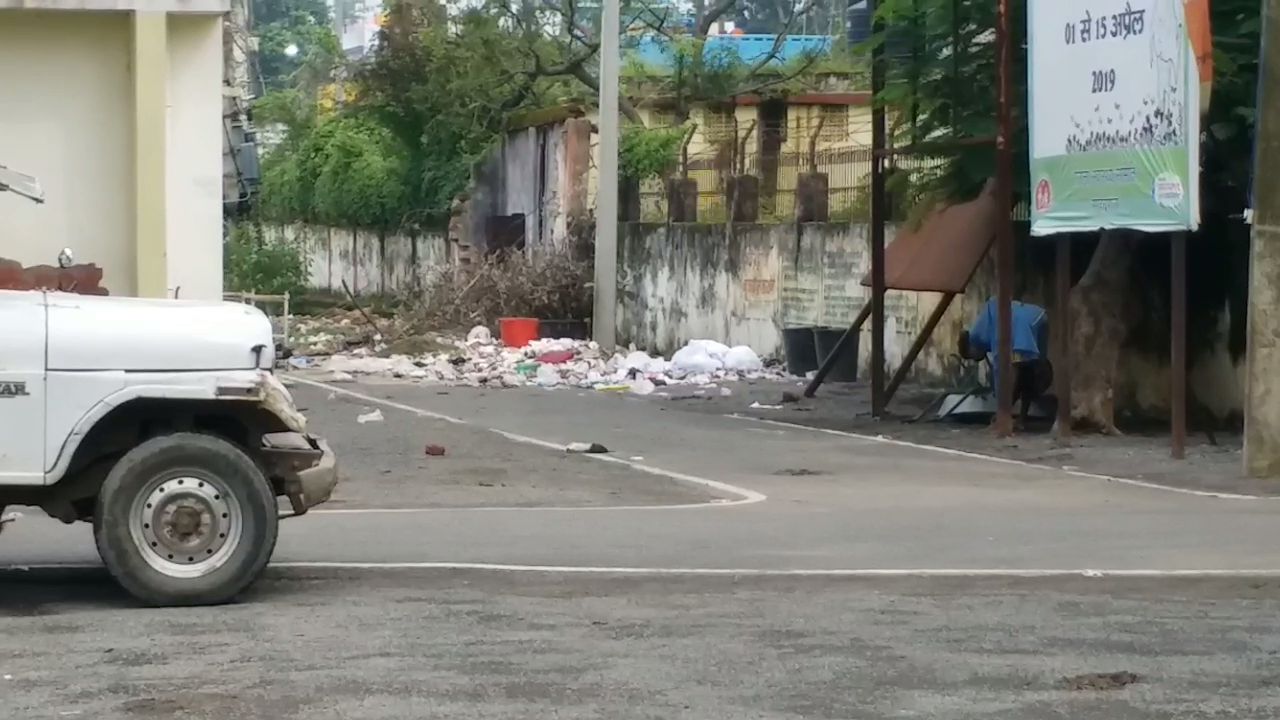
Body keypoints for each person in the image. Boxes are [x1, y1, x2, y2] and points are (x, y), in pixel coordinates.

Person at [957, 298, 1054, 427]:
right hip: (1038, 317)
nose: (976, 359)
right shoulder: (984, 326)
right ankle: (1020, 419)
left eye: (973, 356)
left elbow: (1003, 370)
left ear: (971, 347)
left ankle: (1006, 417)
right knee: (1027, 372)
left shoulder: (988, 332)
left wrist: (1001, 410)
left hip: (1022, 326)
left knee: (1015, 372)